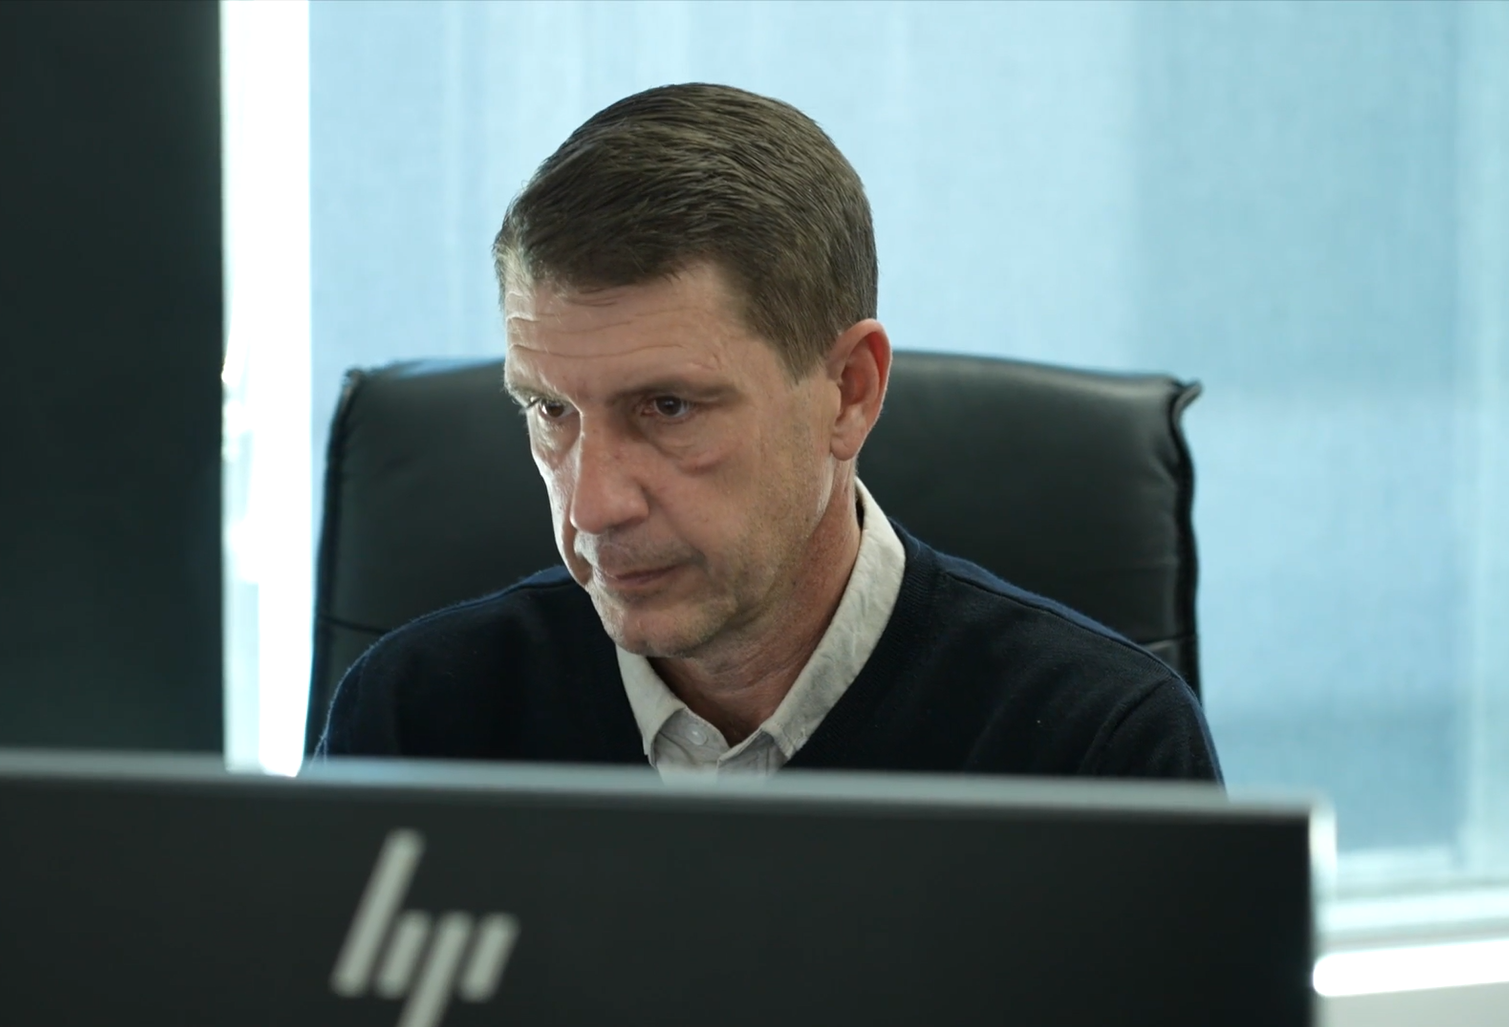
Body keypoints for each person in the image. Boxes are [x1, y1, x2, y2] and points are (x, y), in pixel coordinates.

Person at [317, 83, 1221, 782]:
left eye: (668, 408)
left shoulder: (1099, 749)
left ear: (848, 392)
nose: (592, 505)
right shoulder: (413, 720)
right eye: (551, 410)